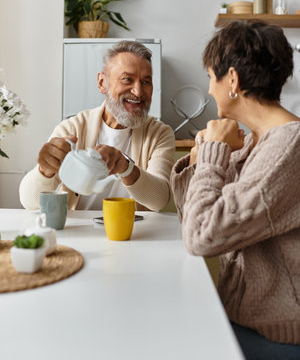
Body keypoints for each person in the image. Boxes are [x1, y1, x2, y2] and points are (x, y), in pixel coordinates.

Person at [171, 21, 300, 359]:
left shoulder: (287, 149)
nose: (210, 89)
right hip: (241, 319)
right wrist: (202, 158)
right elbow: (192, 216)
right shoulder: (256, 144)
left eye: (211, 78)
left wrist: (213, 156)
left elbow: (201, 236)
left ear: (232, 80)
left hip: (275, 337)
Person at [20, 40, 175, 212]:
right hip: (79, 234)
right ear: (102, 83)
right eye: (127, 80)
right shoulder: (72, 129)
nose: (138, 91)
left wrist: (126, 167)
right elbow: (30, 202)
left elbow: (160, 199)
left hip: (132, 234)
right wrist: (45, 170)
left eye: (146, 82)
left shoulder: (160, 133)